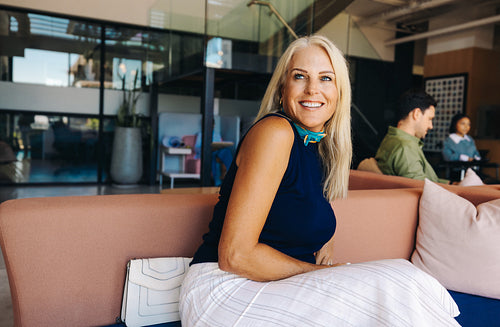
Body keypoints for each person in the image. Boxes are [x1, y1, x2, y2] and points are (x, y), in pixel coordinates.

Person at [180, 35, 459, 326]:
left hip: (275, 287)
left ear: (339, 92)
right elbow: (235, 256)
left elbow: (297, 206)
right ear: (281, 88)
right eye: (300, 76)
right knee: (393, 284)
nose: (313, 89)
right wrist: (322, 273)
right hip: (225, 290)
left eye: (326, 78)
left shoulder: (317, 147)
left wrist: (324, 237)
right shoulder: (275, 132)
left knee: (407, 278)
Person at [375, 89, 449, 183]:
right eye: (429, 119)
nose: (431, 126)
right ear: (416, 114)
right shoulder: (405, 147)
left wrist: (451, 184)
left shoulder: (391, 139)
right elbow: (421, 187)